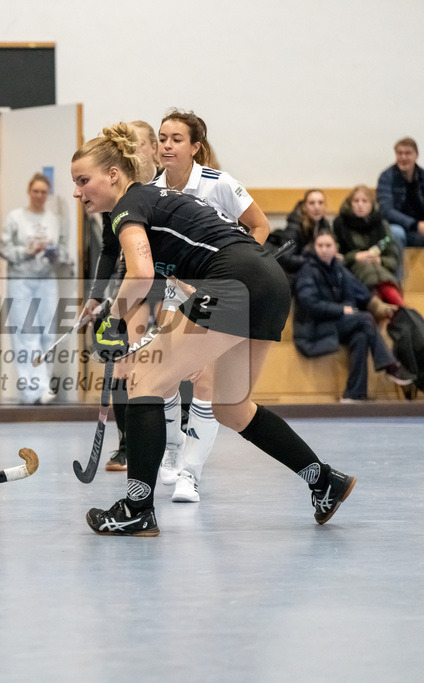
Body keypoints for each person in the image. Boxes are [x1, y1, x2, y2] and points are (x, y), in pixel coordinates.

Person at [71, 122, 356, 537]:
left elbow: (141, 273)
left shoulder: (128, 206)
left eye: (83, 180)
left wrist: (111, 320)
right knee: (231, 407)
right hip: (269, 284)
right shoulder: (155, 199)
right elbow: (182, 271)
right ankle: (324, 480)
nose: (77, 192)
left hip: (234, 283)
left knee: (145, 383)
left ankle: (137, 508)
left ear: (112, 175)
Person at [151, 109, 273, 502]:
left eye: (176, 139)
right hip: (174, 290)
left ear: (195, 147)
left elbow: (260, 225)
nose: (167, 145)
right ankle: (172, 448)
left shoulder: (219, 183)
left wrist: (240, 267)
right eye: (162, 138)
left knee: (205, 379)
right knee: (164, 376)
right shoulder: (151, 191)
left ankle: (190, 474)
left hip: (217, 290)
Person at [87, 120, 160, 471]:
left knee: (166, 363)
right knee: (120, 361)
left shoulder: (164, 189)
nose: (133, 151)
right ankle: (127, 443)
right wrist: (95, 296)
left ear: (154, 149)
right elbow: (108, 246)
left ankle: (173, 441)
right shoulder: (115, 193)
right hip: (131, 281)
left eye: (139, 144)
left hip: (168, 281)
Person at [294, 228, 411, 401]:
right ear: (314, 247)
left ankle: (354, 395)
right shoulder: (307, 271)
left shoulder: (339, 269)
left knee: (360, 336)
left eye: (328, 245)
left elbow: (353, 295)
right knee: (365, 319)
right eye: (320, 245)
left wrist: (350, 309)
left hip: (336, 324)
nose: (324, 249)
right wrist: (342, 310)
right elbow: (310, 305)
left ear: (336, 248)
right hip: (314, 328)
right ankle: (390, 366)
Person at [0, 173, 72, 404]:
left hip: (46, 279)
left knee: (47, 334)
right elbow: (4, 250)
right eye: (36, 191)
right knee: (26, 334)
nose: (39, 195)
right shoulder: (15, 217)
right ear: (29, 192)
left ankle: (43, 387)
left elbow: (63, 250)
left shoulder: (53, 219)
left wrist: (55, 255)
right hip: (21, 281)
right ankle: (31, 390)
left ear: (47, 194)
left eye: (43, 192)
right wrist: (28, 251)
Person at [332, 185, 403, 306]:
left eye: (364, 201)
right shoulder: (340, 225)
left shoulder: (381, 225)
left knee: (384, 280)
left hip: (381, 269)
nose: (360, 205)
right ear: (350, 204)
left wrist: (380, 260)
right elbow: (336, 258)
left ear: (371, 204)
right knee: (371, 276)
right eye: (356, 201)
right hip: (353, 272)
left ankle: (396, 306)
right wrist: (356, 257)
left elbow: (393, 258)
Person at [272, 189, 331, 283]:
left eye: (320, 203)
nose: (317, 207)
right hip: (295, 274)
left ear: (325, 206)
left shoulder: (325, 225)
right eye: (312, 203)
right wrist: (313, 260)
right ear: (304, 206)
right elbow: (285, 258)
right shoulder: (294, 227)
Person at [376, 137, 424, 250]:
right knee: (397, 233)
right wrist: (415, 224)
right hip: (397, 226)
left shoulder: (422, 176)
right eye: (399, 153)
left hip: (420, 227)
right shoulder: (386, 177)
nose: (403, 157)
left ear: (416, 155)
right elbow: (386, 211)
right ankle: (397, 263)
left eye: (408, 153)